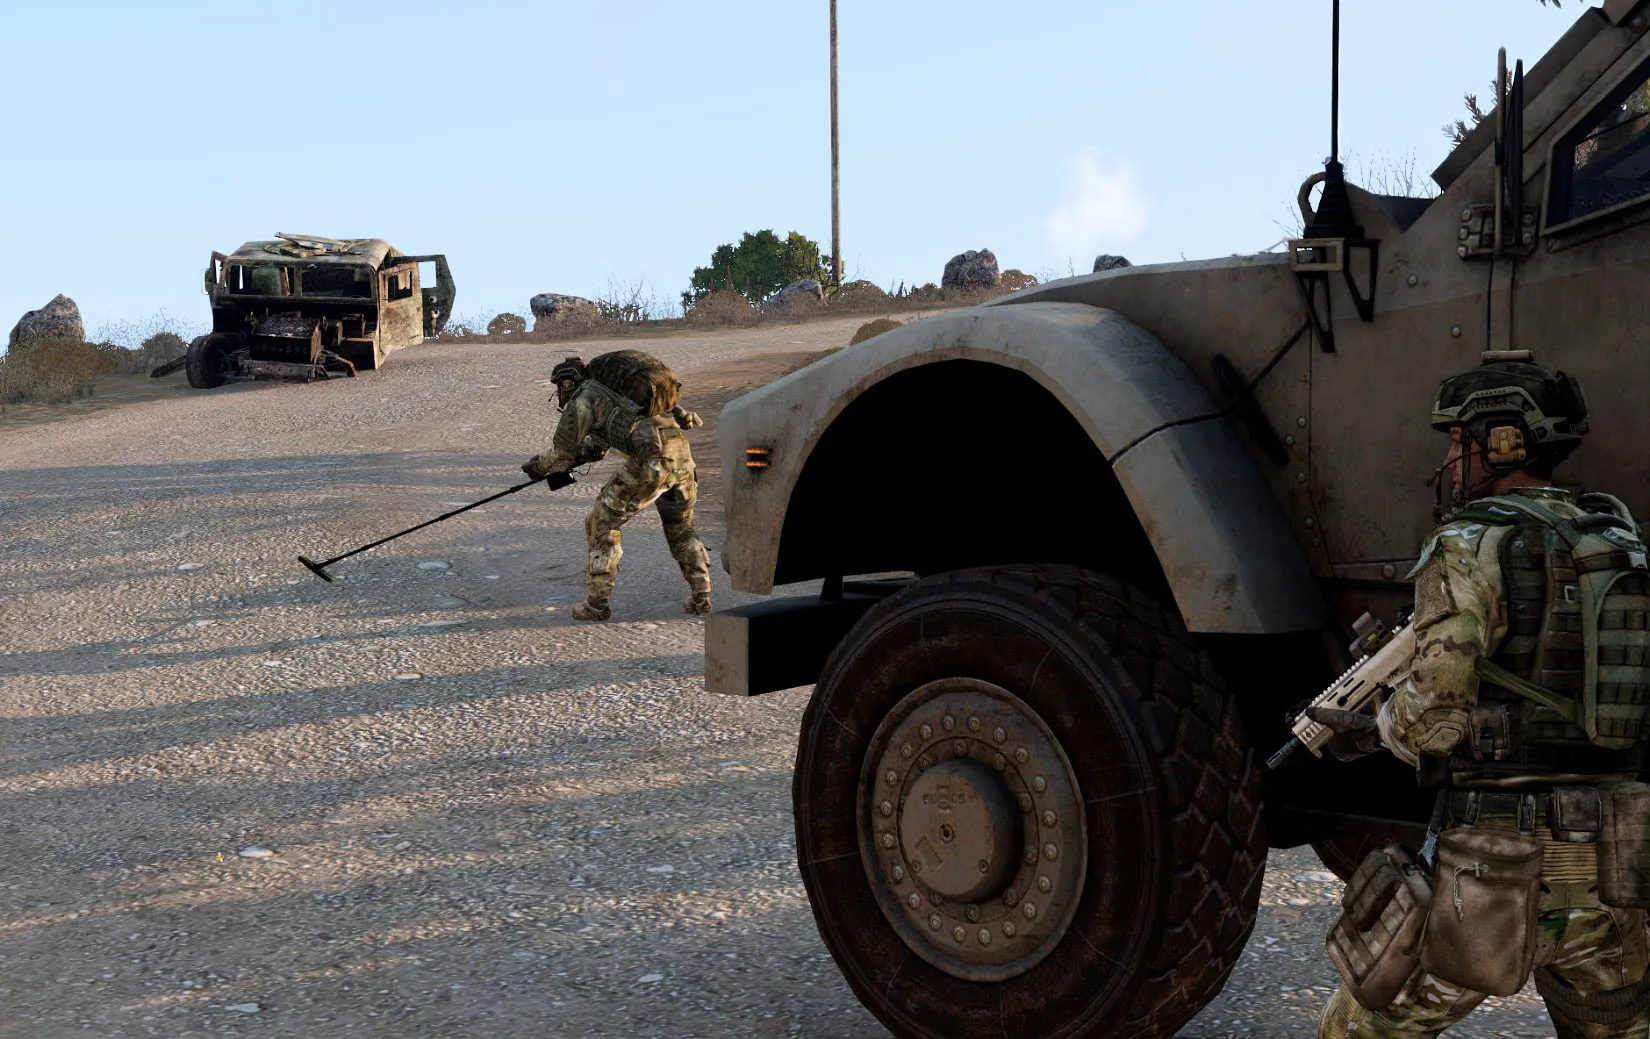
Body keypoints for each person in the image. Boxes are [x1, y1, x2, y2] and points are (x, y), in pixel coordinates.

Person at [1318, 351, 1650, 1039]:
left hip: (1498, 862)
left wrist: (1376, 724)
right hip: (1616, 866)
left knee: (1356, 1029)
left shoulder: (1468, 544)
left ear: (1504, 441)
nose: (1452, 455)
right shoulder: (1620, 542)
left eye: (1460, 439)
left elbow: (1432, 718)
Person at [522, 356, 712, 621]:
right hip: (682, 462)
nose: (559, 394)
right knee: (681, 529)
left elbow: (561, 453)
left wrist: (538, 468)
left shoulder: (584, 398)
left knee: (601, 524)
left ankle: (597, 605)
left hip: (650, 465)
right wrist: (577, 458)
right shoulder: (622, 397)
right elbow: (597, 447)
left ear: (568, 382)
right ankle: (701, 597)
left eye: (560, 387)